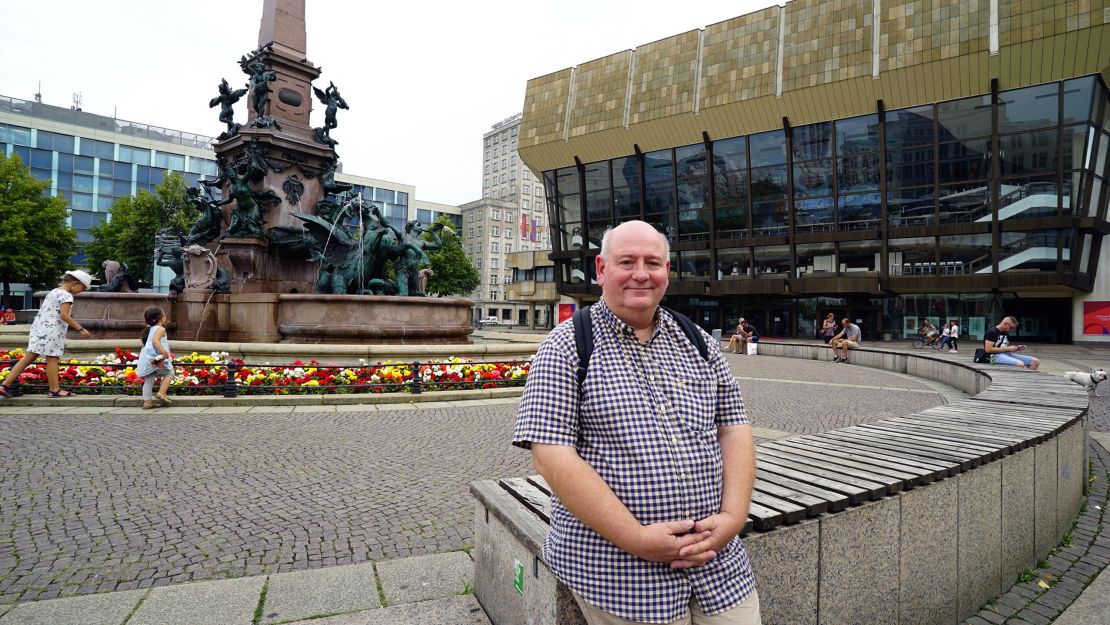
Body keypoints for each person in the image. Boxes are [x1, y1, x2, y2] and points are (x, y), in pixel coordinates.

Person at [513, 220, 760, 625]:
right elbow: (551, 456)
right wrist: (637, 539)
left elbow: (733, 428)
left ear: (667, 270)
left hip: (718, 566)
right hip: (619, 575)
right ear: (601, 269)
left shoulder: (696, 340)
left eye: (652, 262)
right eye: (626, 261)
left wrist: (733, 518)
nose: (641, 273)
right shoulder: (566, 346)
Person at [0, 270, 94, 398]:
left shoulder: (54, 292)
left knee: (28, 358)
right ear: (75, 283)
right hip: (52, 331)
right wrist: (81, 329)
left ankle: (5, 385)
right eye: (82, 288)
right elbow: (64, 316)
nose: (82, 291)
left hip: (39, 328)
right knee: (52, 358)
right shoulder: (67, 296)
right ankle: (54, 390)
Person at [136, 306, 174, 409]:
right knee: (169, 373)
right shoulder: (161, 328)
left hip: (148, 358)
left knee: (149, 380)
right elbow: (155, 340)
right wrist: (164, 352)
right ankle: (161, 393)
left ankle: (148, 402)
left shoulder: (150, 329)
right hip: (156, 357)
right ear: (161, 318)